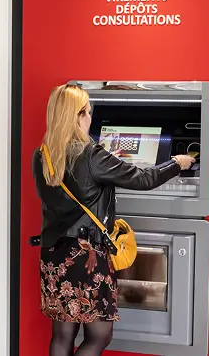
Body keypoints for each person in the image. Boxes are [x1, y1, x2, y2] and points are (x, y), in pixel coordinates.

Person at [33, 83, 194, 356]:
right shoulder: (91, 154)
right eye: (88, 111)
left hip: (54, 254)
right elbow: (143, 178)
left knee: (62, 334)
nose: (91, 117)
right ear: (78, 115)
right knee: (99, 335)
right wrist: (176, 163)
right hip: (86, 257)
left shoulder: (43, 155)